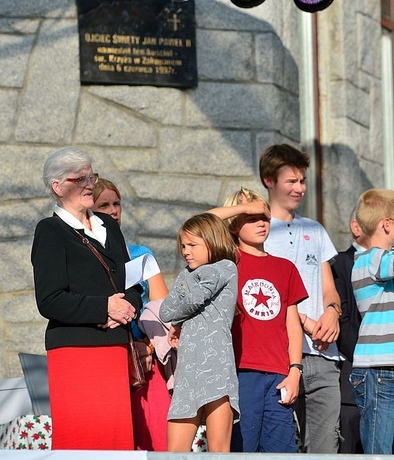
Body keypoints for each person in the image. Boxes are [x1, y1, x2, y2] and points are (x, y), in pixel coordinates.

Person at [31, 146, 141, 450]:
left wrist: (127, 308)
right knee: (82, 442)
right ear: (58, 187)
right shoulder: (50, 231)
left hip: (114, 348)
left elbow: (132, 282)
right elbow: (50, 299)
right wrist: (104, 307)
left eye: (91, 176)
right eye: (79, 178)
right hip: (75, 349)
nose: (89, 183)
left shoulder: (109, 226)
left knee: (115, 440)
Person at [209, 188, 307, 453]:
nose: (261, 222)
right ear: (234, 223)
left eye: (264, 215)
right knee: (242, 449)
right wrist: (243, 207)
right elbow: (200, 225)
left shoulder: (285, 267)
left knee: (282, 452)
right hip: (240, 373)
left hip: (278, 376)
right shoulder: (227, 262)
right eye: (252, 217)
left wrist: (295, 370)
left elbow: (293, 324)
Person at [259, 144, 342, 453]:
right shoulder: (258, 230)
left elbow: (328, 287)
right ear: (269, 180)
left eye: (302, 181)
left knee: (325, 448)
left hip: (324, 354)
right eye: (291, 181)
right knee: (281, 447)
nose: (299, 188)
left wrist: (332, 313)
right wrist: (303, 320)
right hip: (279, 356)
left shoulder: (315, 229)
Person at [332, 211, 394, 454]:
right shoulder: (370, 259)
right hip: (379, 372)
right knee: (377, 451)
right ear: (386, 224)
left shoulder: (387, 259)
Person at [92, 177, 171, 451]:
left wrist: (147, 345)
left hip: (146, 366)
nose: (113, 210)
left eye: (117, 203)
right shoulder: (84, 258)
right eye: (104, 205)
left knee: (158, 440)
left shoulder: (141, 254)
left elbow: (165, 311)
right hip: (105, 362)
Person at [159, 213, 240, 452]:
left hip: (217, 370)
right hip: (187, 374)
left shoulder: (225, 267)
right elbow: (165, 311)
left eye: (193, 245)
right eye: (183, 245)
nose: (186, 251)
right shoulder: (186, 274)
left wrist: (178, 316)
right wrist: (177, 318)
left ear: (213, 241)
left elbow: (193, 299)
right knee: (174, 452)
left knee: (218, 451)